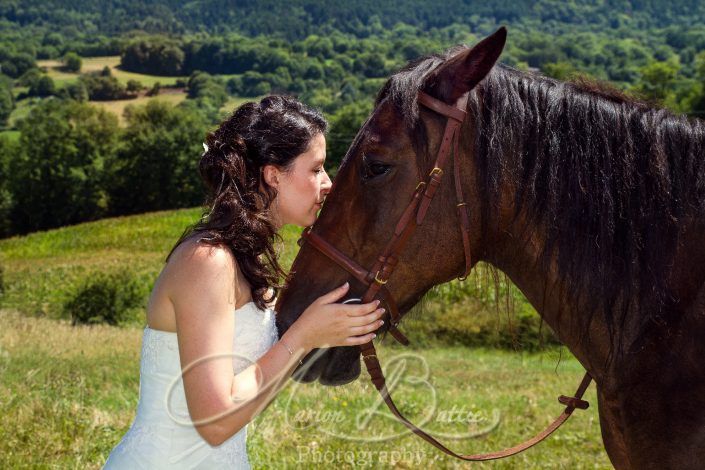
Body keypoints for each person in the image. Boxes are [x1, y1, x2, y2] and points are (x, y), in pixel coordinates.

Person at [103, 95, 385, 469]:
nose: (328, 183)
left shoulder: (243, 261)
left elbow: (250, 391)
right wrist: (302, 336)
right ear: (273, 175)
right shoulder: (207, 262)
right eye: (316, 169)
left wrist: (325, 333)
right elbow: (215, 422)